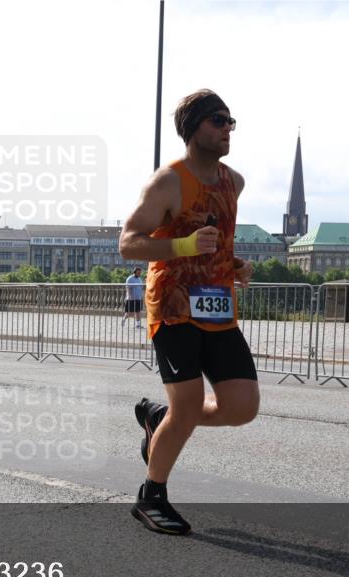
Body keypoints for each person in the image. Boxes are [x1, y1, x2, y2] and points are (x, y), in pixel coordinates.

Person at [119, 89, 257, 535]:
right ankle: (151, 496)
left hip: (218, 310)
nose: (227, 129)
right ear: (194, 126)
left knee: (242, 407)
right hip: (174, 308)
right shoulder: (168, 182)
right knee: (189, 406)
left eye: (231, 121)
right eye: (218, 120)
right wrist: (181, 245)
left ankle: (159, 421)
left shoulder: (232, 182)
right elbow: (128, 243)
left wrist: (234, 265)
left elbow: (216, 241)